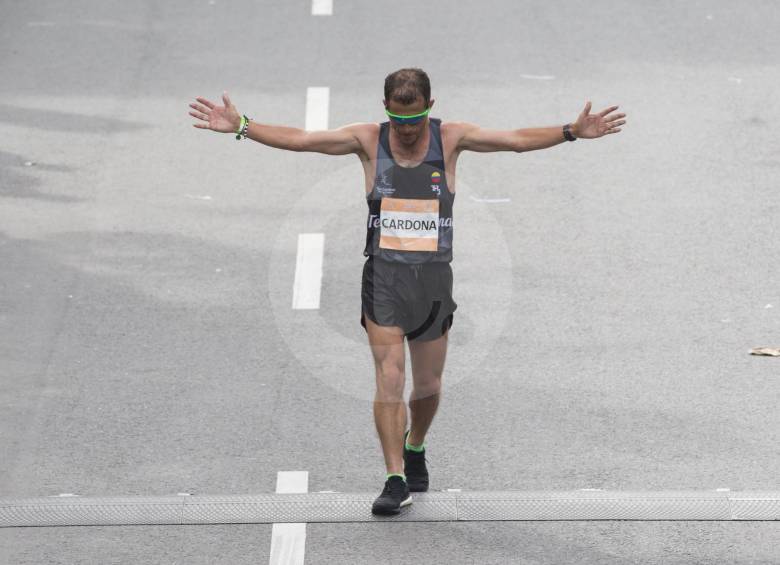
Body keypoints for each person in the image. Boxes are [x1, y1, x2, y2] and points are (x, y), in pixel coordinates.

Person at [189, 68, 627, 515]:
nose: (407, 130)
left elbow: (514, 139)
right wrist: (243, 126)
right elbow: (302, 139)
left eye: (414, 120)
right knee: (390, 377)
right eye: (398, 121)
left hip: (433, 280)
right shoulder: (367, 140)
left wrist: (571, 131)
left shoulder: (452, 138)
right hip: (385, 279)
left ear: (430, 109)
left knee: (428, 385)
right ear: (386, 112)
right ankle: (394, 477)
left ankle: (415, 443)